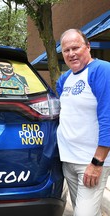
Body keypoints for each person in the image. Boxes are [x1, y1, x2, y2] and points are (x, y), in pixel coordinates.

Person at [56, 28, 110, 216]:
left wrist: (97, 162)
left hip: (90, 161)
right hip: (68, 160)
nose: (71, 54)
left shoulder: (102, 70)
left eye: (75, 48)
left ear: (88, 47)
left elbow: (108, 117)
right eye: (66, 50)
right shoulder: (65, 79)